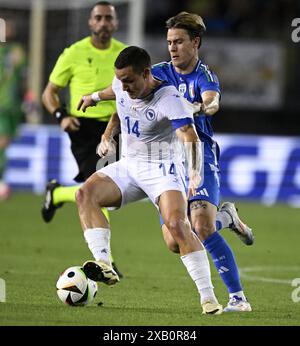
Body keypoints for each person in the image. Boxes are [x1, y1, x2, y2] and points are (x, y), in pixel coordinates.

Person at [95, 12, 253, 312]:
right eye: (169, 42)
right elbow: (123, 97)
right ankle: (227, 218)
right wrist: (108, 131)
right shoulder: (156, 72)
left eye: (179, 41)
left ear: (195, 42)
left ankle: (238, 298)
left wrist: (200, 107)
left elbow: (212, 101)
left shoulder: (204, 77)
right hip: (165, 159)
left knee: (202, 227)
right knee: (173, 240)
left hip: (198, 152)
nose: (172, 47)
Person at [76, 46, 223, 315]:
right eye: (120, 80)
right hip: (131, 165)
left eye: (130, 80)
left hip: (163, 169)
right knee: (85, 194)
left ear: (146, 73)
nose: (124, 86)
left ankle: (208, 298)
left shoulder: (170, 98)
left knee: (177, 229)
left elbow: (189, 136)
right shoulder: (122, 84)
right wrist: (94, 99)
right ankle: (104, 262)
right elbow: (114, 96)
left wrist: (194, 172)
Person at [41, 1, 126, 276]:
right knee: (99, 189)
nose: (103, 23)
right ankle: (107, 263)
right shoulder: (73, 53)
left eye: (108, 18)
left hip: (114, 127)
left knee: (105, 195)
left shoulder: (124, 54)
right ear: (90, 22)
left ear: (115, 23)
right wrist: (60, 116)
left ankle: (57, 194)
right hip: (84, 128)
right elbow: (49, 92)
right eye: (98, 18)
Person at [0, 17, 26, 200]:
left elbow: (23, 76)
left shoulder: (17, 51)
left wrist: (29, 99)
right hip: (2, 104)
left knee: (5, 142)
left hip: (12, 105)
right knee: (2, 142)